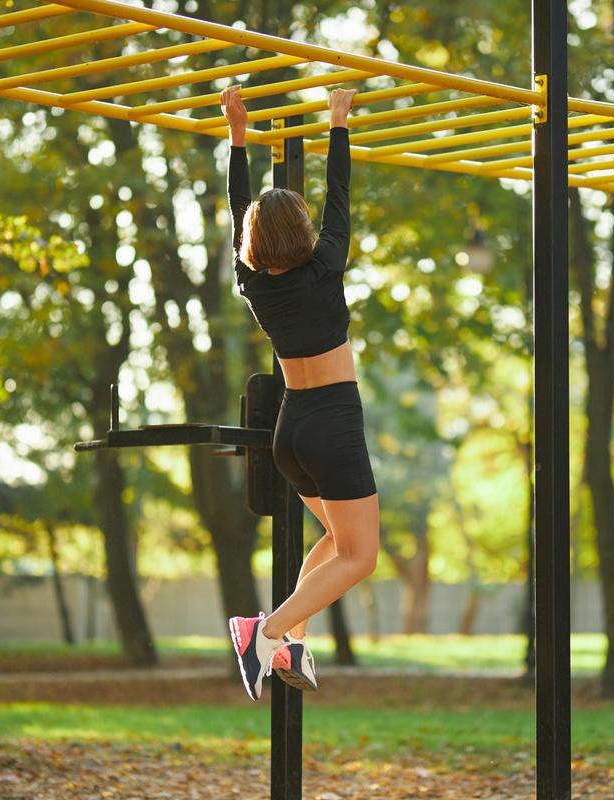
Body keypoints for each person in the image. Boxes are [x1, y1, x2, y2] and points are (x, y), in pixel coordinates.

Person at [219, 85, 379, 701]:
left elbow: (240, 211)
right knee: (360, 557)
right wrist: (337, 121)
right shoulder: (325, 265)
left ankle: (290, 640)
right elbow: (338, 199)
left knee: (342, 542)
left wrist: (239, 136)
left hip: (293, 429)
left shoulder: (251, 280)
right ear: (304, 232)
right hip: (334, 423)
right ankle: (264, 629)